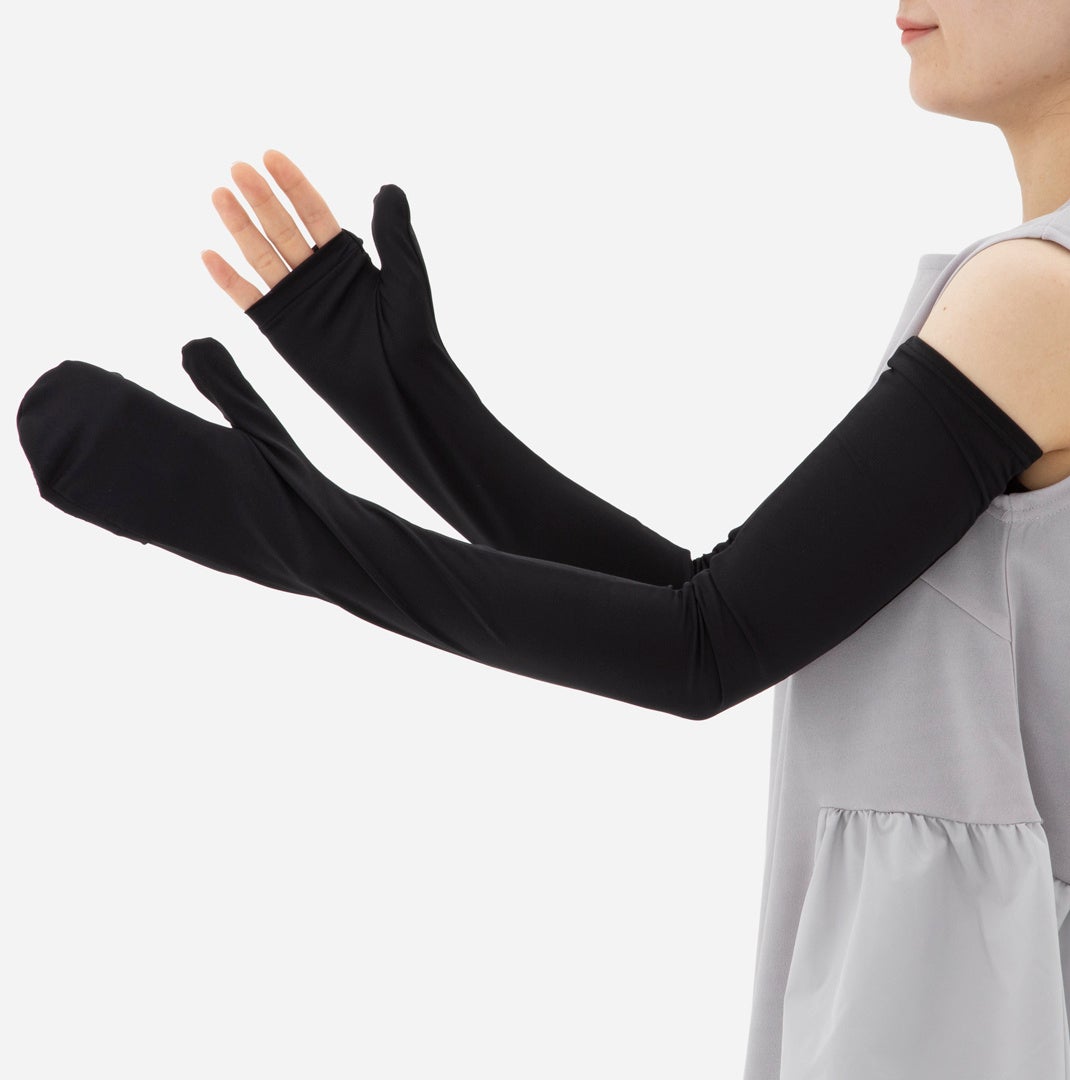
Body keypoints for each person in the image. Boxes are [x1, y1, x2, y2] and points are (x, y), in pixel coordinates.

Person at [15, 7, 1070, 1068]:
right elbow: (722, 609)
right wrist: (413, 410)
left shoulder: (1035, 299)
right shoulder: (1028, 290)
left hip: (961, 998)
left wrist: (281, 528)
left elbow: (701, 649)